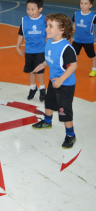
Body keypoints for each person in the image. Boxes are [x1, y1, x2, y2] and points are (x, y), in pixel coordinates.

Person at [32, 13, 77, 149]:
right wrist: (44, 64)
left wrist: (62, 79)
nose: (47, 28)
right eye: (47, 25)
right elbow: (50, 56)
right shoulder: (50, 41)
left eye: (51, 26)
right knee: (49, 101)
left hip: (65, 85)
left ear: (62, 30)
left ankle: (70, 135)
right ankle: (47, 121)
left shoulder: (66, 48)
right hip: (53, 81)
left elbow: (73, 66)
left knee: (64, 110)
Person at [16, 0, 47, 102]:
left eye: (32, 9)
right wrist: (17, 46)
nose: (30, 11)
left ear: (40, 9)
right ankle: (33, 88)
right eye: (28, 9)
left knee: (40, 71)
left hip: (41, 50)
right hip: (29, 51)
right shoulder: (24, 20)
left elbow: (52, 34)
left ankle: (42, 89)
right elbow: (21, 34)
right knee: (31, 71)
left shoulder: (45, 20)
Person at [72, 0, 96, 77]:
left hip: (88, 41)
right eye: (81, 3)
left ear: (90, 5)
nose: (83, 5)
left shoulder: (93, 16)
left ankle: (94, 69)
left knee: (92, 55)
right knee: (73, 54)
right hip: (77, 40)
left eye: (85, 3)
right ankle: (72, 68)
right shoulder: (76, 14)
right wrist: (70, 36)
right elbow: (74, 26)